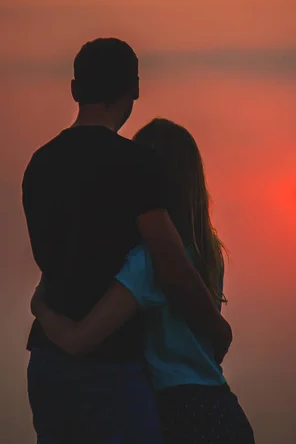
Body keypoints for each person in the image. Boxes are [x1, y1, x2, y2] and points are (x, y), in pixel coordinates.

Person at [23, 39, 232, 444]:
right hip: (111, 365)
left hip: (46, 361)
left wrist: (44, 311)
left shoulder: (38, 164)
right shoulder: (137, 164)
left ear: (74, 89)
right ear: (133, 90)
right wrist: (217, 330)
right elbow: (172, 269)